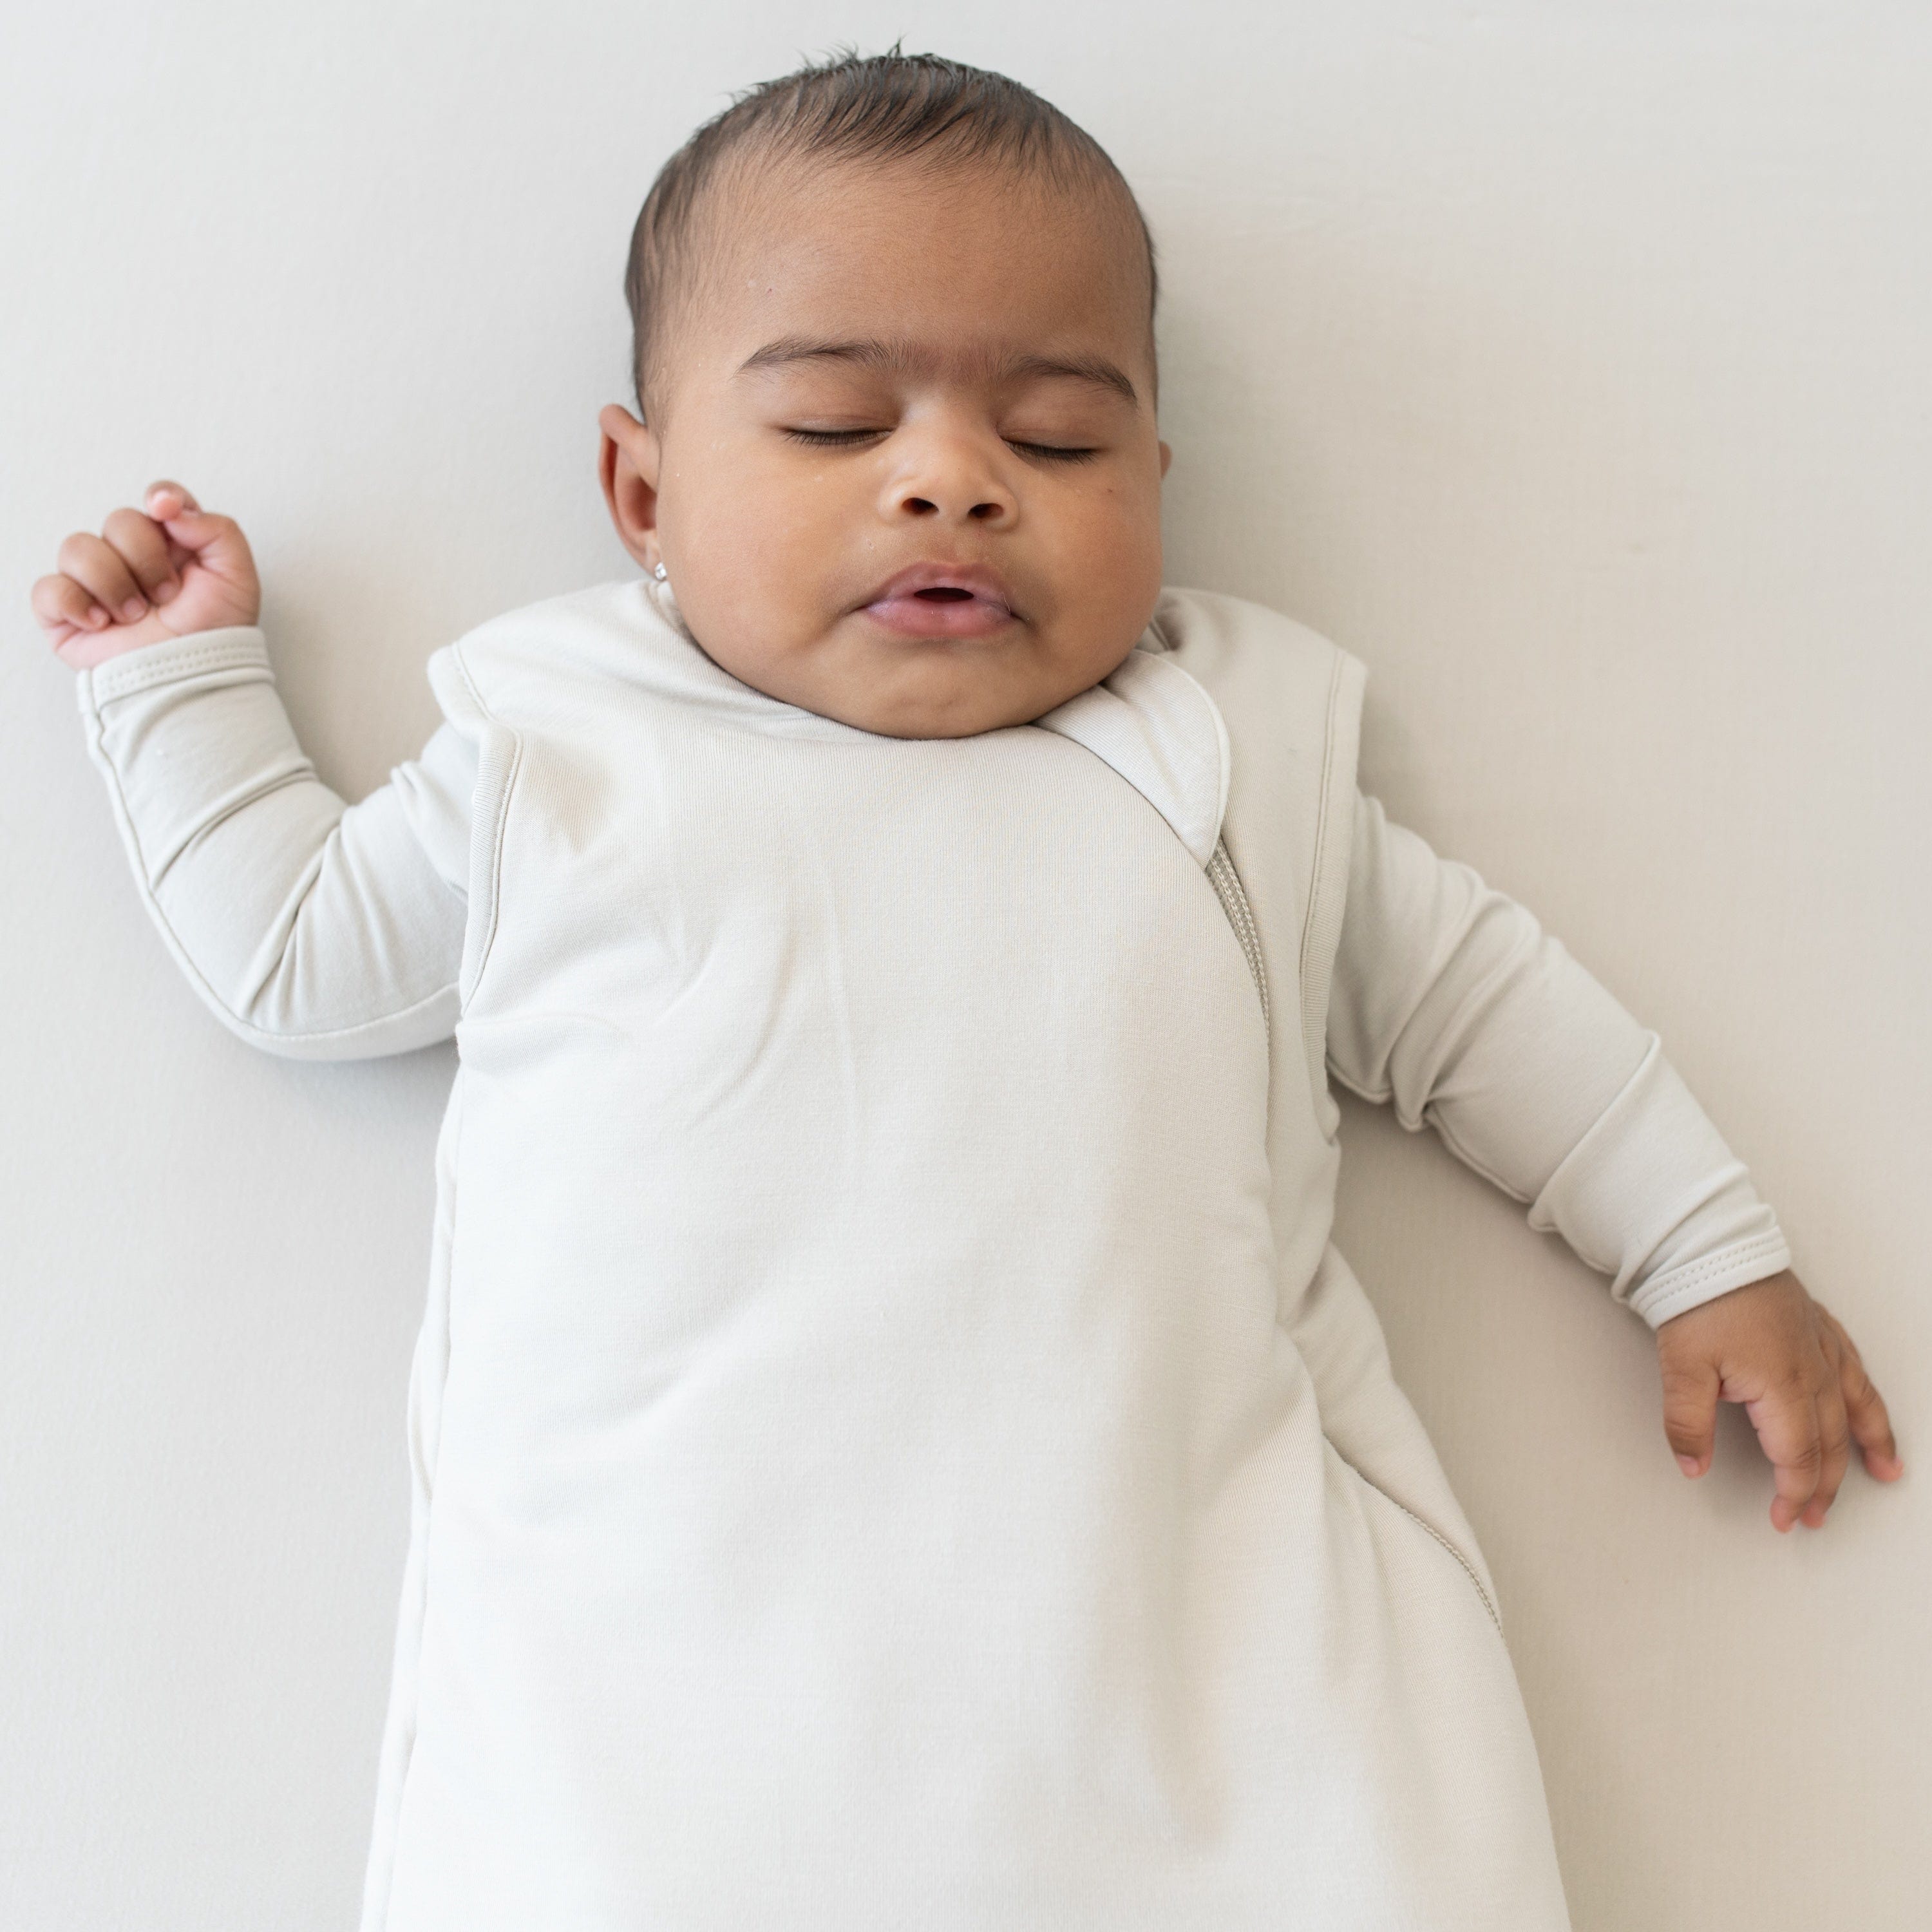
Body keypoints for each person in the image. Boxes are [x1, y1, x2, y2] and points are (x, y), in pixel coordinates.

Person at [30, 48, 1902, 1932]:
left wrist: (1703, 1250)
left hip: (1193, 1675)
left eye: (1059, 441)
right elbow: (295, 954)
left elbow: (1480, 1012)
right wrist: (182, 682)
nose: (950, 482)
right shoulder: (560, 757)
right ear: (642, 490)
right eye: (837, 424)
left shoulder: (1218, 756)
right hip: (668, 1725)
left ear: (1153, 483)